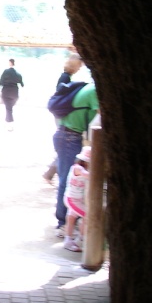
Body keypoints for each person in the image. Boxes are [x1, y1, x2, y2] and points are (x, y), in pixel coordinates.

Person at [53, 82, 99, 236]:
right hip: (69, 137)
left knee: (66, 178)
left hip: (67, 135)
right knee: (66, 179)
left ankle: (68, 221)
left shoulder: (90, 87)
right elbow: (100, 116)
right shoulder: (94, 90)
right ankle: (63, 224)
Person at [43, 54, 84, 184]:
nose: (79, 68)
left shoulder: (66, 77)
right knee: (65, 146)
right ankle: (53, 175)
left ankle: (50, 174)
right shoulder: (65, 78)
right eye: (79, 66)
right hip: (63, 115)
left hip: (61, 115)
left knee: (63, 149)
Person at [62, 146, 91, 252]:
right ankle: (80, 239)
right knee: (88, 216)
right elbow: (88, 175)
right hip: (72, 199)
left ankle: (68, 240)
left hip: (76, 199)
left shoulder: (81, 168)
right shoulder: (78, 168)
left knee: (71, 217)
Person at [0, 59, 24, 129]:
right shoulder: (17, 73)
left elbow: (1, 81)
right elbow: (22, 84)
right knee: (9, 108)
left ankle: (9, 123)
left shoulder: (5, 72)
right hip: (14, 93)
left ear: (9, 63)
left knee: (8, 108)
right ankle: (9, 123)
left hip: (6, 91)